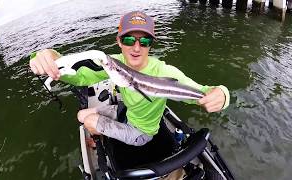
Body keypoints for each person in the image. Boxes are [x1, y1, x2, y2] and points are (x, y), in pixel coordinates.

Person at [29, 11, 230, 146]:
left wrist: (222, 94)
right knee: (81, 115)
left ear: (151, 44)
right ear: (119, 41)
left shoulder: (164, 72)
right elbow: (80, 75)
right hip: (128, 112)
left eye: (144, 41)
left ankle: (99, 138)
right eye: (128, 39)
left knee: (88, 122)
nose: (136, 47)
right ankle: (104, 131)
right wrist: (51, 58)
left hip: (142, 132)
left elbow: (203, 92)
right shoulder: (114, 62)